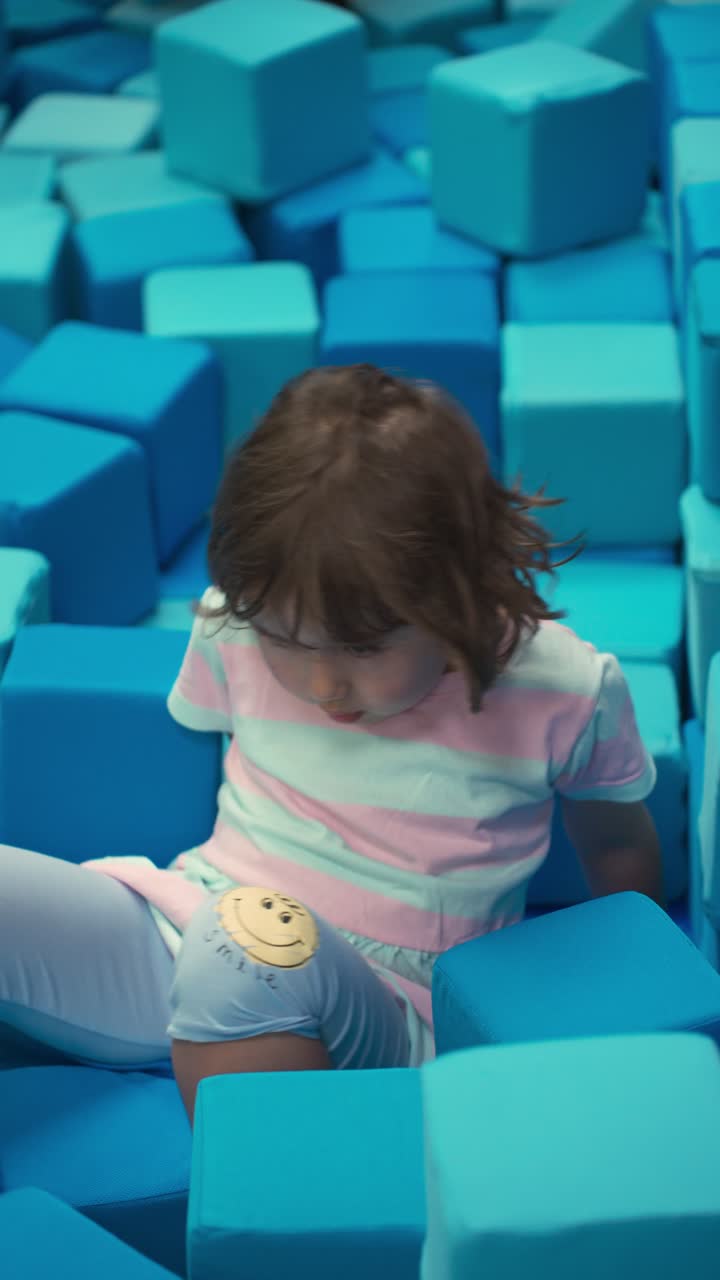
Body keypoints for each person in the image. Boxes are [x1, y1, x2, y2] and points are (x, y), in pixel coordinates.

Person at [0, 364, 662, 1121]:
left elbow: (618, 847)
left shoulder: (564, 688)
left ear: (460, 590)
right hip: (188, 936)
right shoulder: (238, 619)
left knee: (244, 944)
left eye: (362, 647)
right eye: (283, 640)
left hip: (387, 1014)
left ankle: (277, 1189)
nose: (321, 686)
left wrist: (635, 1014)